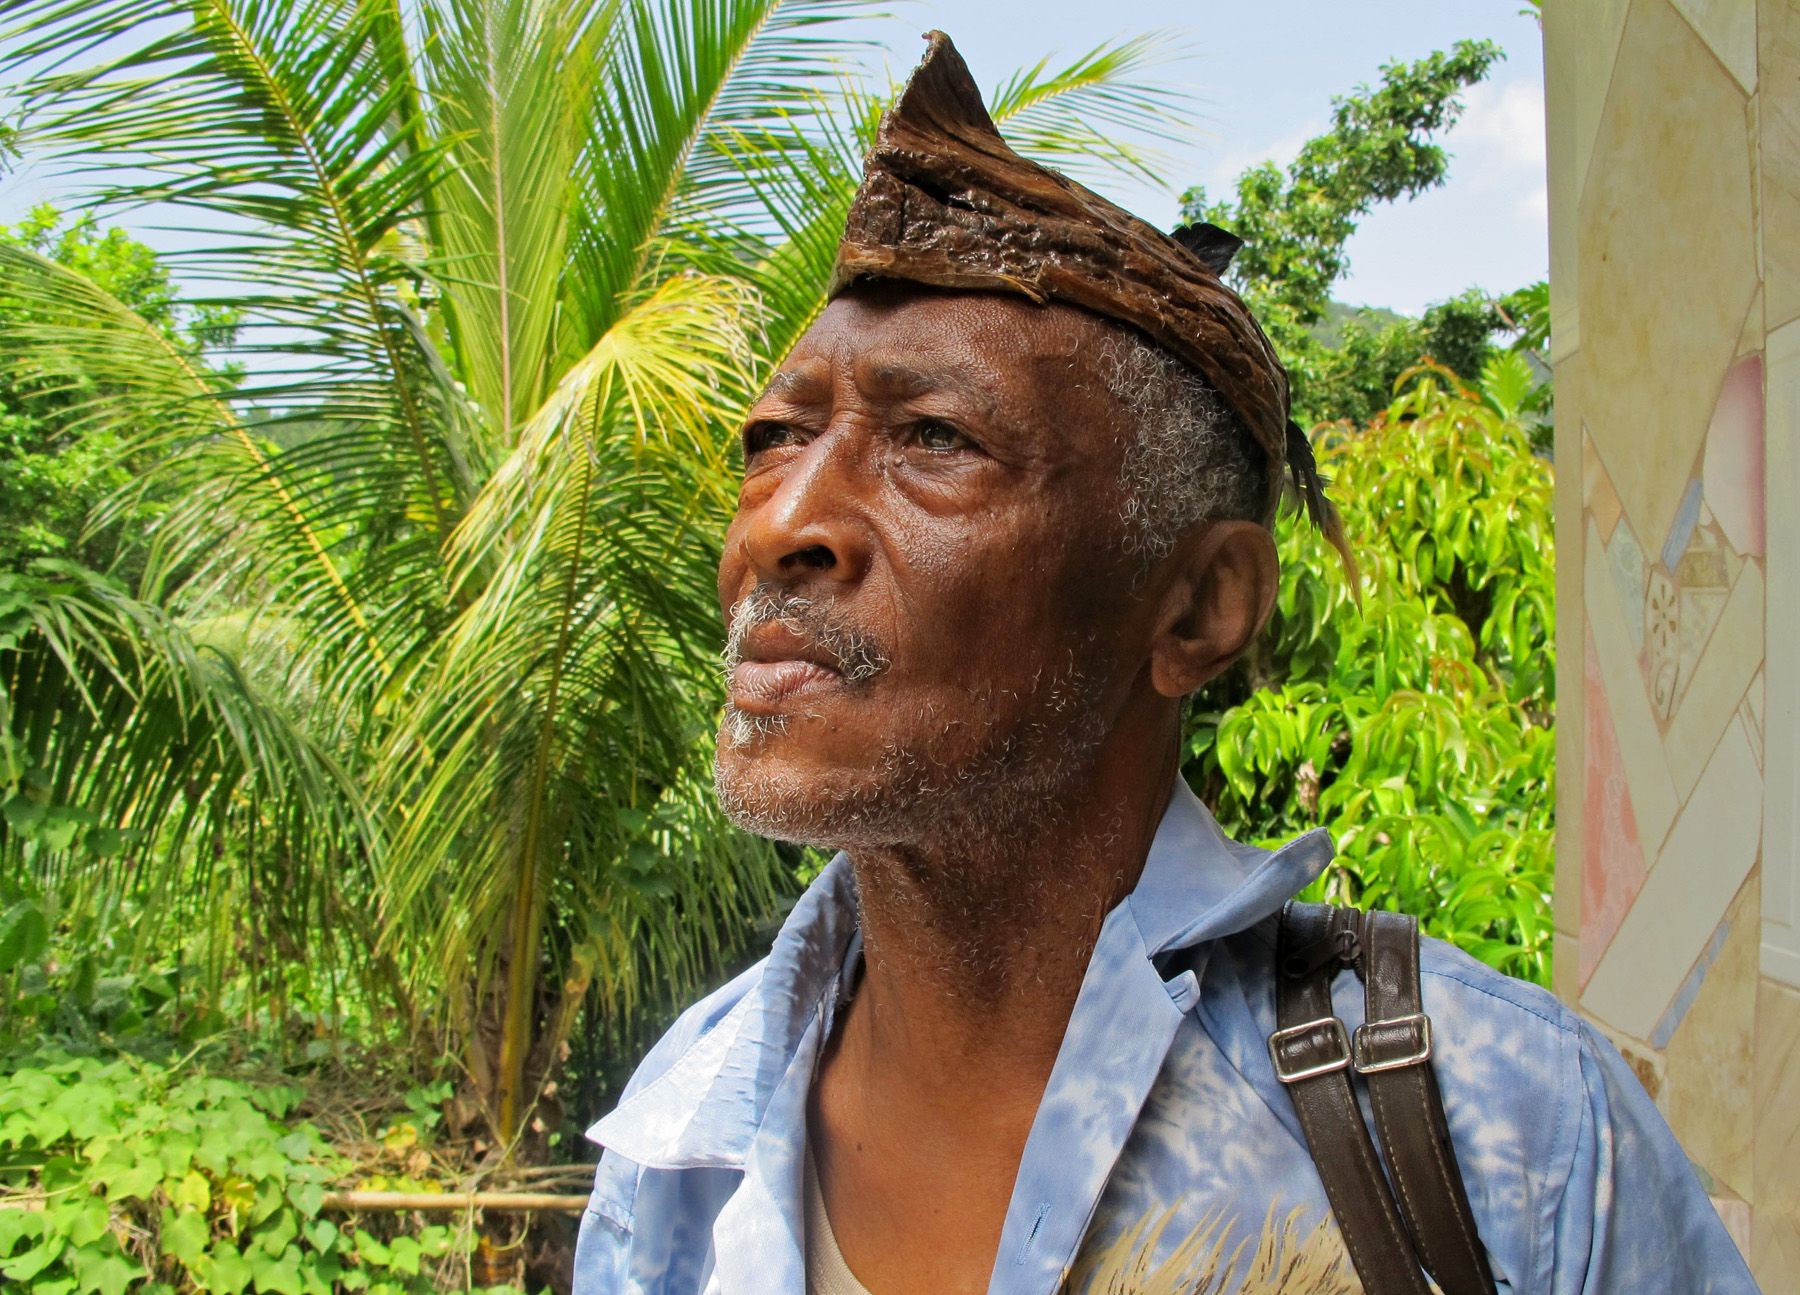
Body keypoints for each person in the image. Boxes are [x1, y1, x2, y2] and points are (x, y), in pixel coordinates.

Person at [572, 31, 1756, 1295]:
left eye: (933, 437)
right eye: (773, 436)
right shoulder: (677, 1141)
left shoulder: (1506, 1135)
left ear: (1198, 605)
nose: (777, 526)